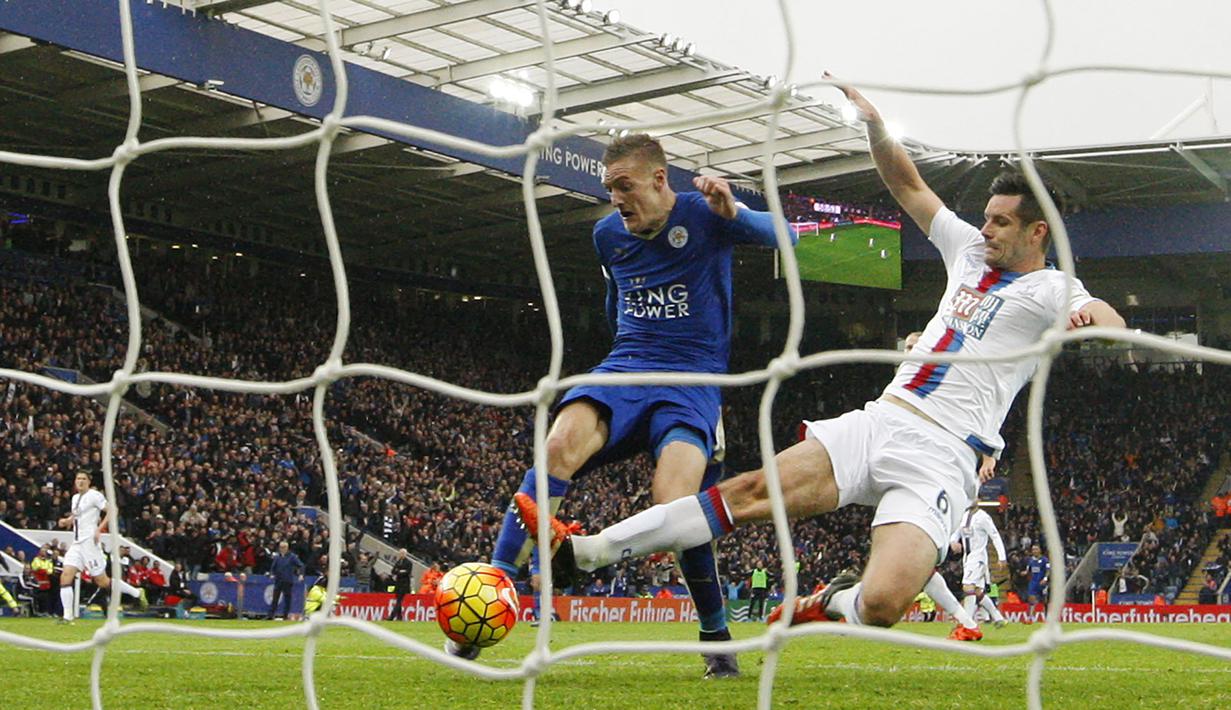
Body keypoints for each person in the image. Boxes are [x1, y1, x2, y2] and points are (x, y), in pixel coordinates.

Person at [514, 78, 1124, 635]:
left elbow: (1110, 318)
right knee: (749, 491)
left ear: (1036, 232)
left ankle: (835, 602)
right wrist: (873, 125)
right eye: (986, 220)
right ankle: (586, 551)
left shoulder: (1053, 289)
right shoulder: (966, 249)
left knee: (883, 606)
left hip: (946, 455)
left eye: (999, 224)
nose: (984, 230)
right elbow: (909, 186)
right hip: (884, 418)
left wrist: (1088, 319)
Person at [469, 132, 794, 677]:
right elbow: (615, 298)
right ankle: (492, 590)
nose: (616, 199)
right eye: (609, 188)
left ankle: (714, 634)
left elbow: (786, 236)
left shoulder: (704, 213)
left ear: (658, 180)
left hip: (692, 382)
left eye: (625, 186)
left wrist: (736, 211)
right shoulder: (606, 236)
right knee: (557, 445)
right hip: (625, 367)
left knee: (676, 505)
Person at [57, 471, 148, 622]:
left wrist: (99, 529)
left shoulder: (94, 495)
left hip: (90, 543)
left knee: (102, 581)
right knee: (65, 576)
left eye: (83, 479)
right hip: (77, 543)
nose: (80, 481)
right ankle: (67, 617)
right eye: (78, 478)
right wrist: (67, 521)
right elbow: (78, 515)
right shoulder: (75, 498)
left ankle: (137, 593)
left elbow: (113, 510)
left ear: (89, 481)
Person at [950, 501, 1008, 640]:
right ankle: (998, 617)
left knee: (968, 587)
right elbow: (956, 533)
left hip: (978, 557)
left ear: (978, 500)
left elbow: (995, 535)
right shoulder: (963, 516)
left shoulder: (984, 517)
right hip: (967, 558)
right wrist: (953, 542)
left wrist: (1002, 557)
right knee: (977, 592)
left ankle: (967, 624)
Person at [266, 541, 303, 621]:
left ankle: (285, 615)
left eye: (283, 547)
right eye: (281, 547)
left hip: (287, 580)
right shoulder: (277, 557)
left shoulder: (292, 557)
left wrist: (301, 574)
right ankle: (271, 615)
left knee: (287, 599)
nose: (282, 549)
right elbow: (273, 567)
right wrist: (272, 574)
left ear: (287, 548)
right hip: (278, 580)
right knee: (275, 599)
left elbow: (301, 565)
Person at [1025, 544, 1050, 620]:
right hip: (1033, 582)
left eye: (1036, 549)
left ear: (1040, 550)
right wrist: (1025, 572)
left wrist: (1045, 579)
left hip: (1042, 583)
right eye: (1033, 549)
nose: (1034, 551)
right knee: (1031, 598)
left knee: (1044, 600)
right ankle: (1030, 617)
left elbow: (1048, 570)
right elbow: (1028, 570)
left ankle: (1047, 617)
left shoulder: (1045, 560)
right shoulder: (1030, 560)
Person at [387, 548, 413, 622]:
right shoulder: (398, 562)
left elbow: (407, 572)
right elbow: (393, 571)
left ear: (405, 554)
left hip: (404, 584)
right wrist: (400, 571)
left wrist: (398, 571)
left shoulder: (409, 563)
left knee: (399, 600)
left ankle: (392, 616)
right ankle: (399, 617)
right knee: (399, 600)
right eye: (400, 553)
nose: (401, 555)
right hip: (398, 584)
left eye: (402, 553)